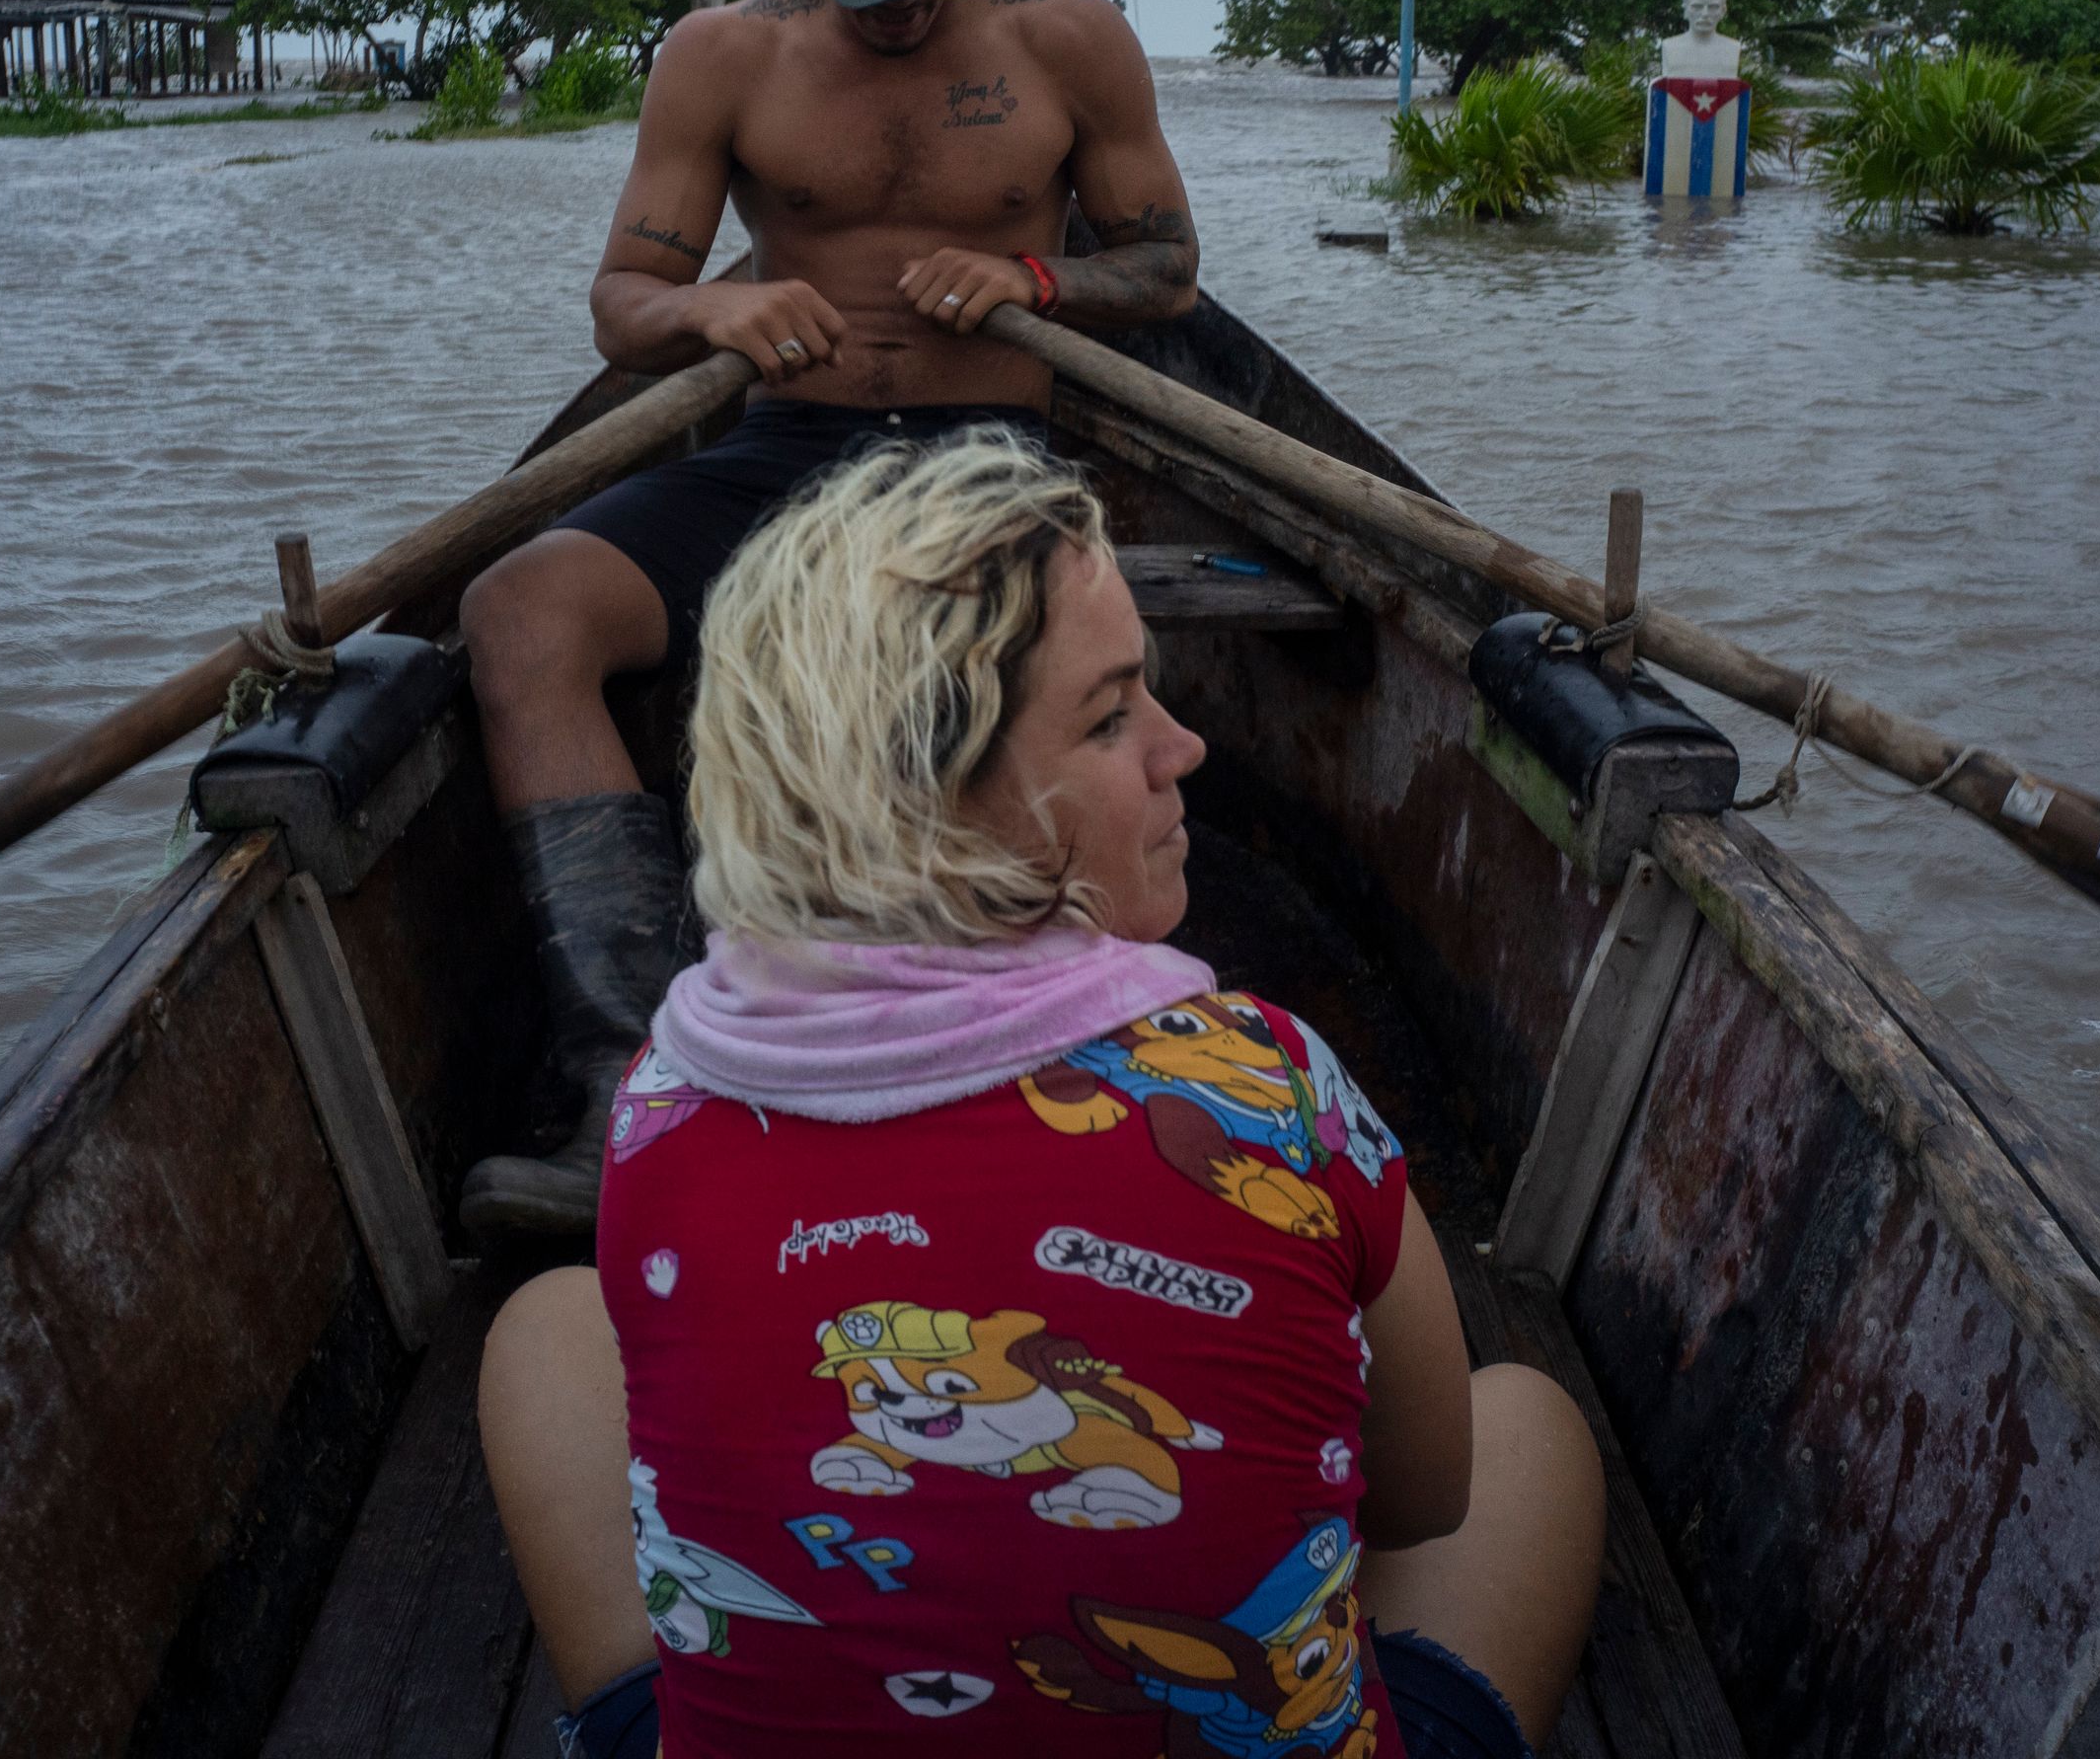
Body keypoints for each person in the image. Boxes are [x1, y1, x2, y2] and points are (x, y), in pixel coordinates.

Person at [481, 434, 1607, 1756]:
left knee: (549, 1331)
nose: (1183, 745)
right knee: (1526, 1426)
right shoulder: (1269, 1085)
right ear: (937, 796)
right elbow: (1420, 1496)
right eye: (1112, 713)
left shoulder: (663, 1104)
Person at [455, 0, 1202, 1239]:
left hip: (993, 464)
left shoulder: (1071, 41)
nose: (898, 6)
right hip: (786, 455)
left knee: (970, 659)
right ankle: (629, 1076)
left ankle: (1075, 1052)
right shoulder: (722, 57)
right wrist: (714, 317)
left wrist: (1033, 277)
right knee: (520, 611)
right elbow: (622, 301)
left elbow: (1170, 271)